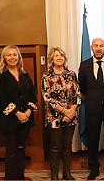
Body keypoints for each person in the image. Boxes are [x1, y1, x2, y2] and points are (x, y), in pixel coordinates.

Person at [78, 38, 104, 180]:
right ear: (91, 47)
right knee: (93, 139)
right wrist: (93, 99)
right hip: (92, 109)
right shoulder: (84, 65)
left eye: (101, 46)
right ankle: (94, 168)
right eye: (95, 46)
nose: (98, 48)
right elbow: (82, 87)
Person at [0, 45, 38, 180]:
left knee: (21, 150)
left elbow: (33, 95)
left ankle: (20, 177)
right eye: (9, 55)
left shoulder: (25, 75)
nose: (12, 57)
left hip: (26, 119)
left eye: (14, 55)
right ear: (4, 58)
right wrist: (18, 113)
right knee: (12, 152)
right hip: (10, 121)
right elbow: (1, 100)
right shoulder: (1, 77)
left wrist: (29, 111)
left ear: (19, 57)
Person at [42, 47, 81, 180]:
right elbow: (47, 97)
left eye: (61, 55)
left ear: (64, 58)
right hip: (54, 116)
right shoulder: (47, 76)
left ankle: (67, 173)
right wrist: (64, 111)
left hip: (71, 115)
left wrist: (72, 111)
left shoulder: (71, 74)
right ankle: (54, 175)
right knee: (55, 147)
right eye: (56, 56)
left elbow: (77, 94)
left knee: (67, 146)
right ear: (51, 59)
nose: (59, 57)